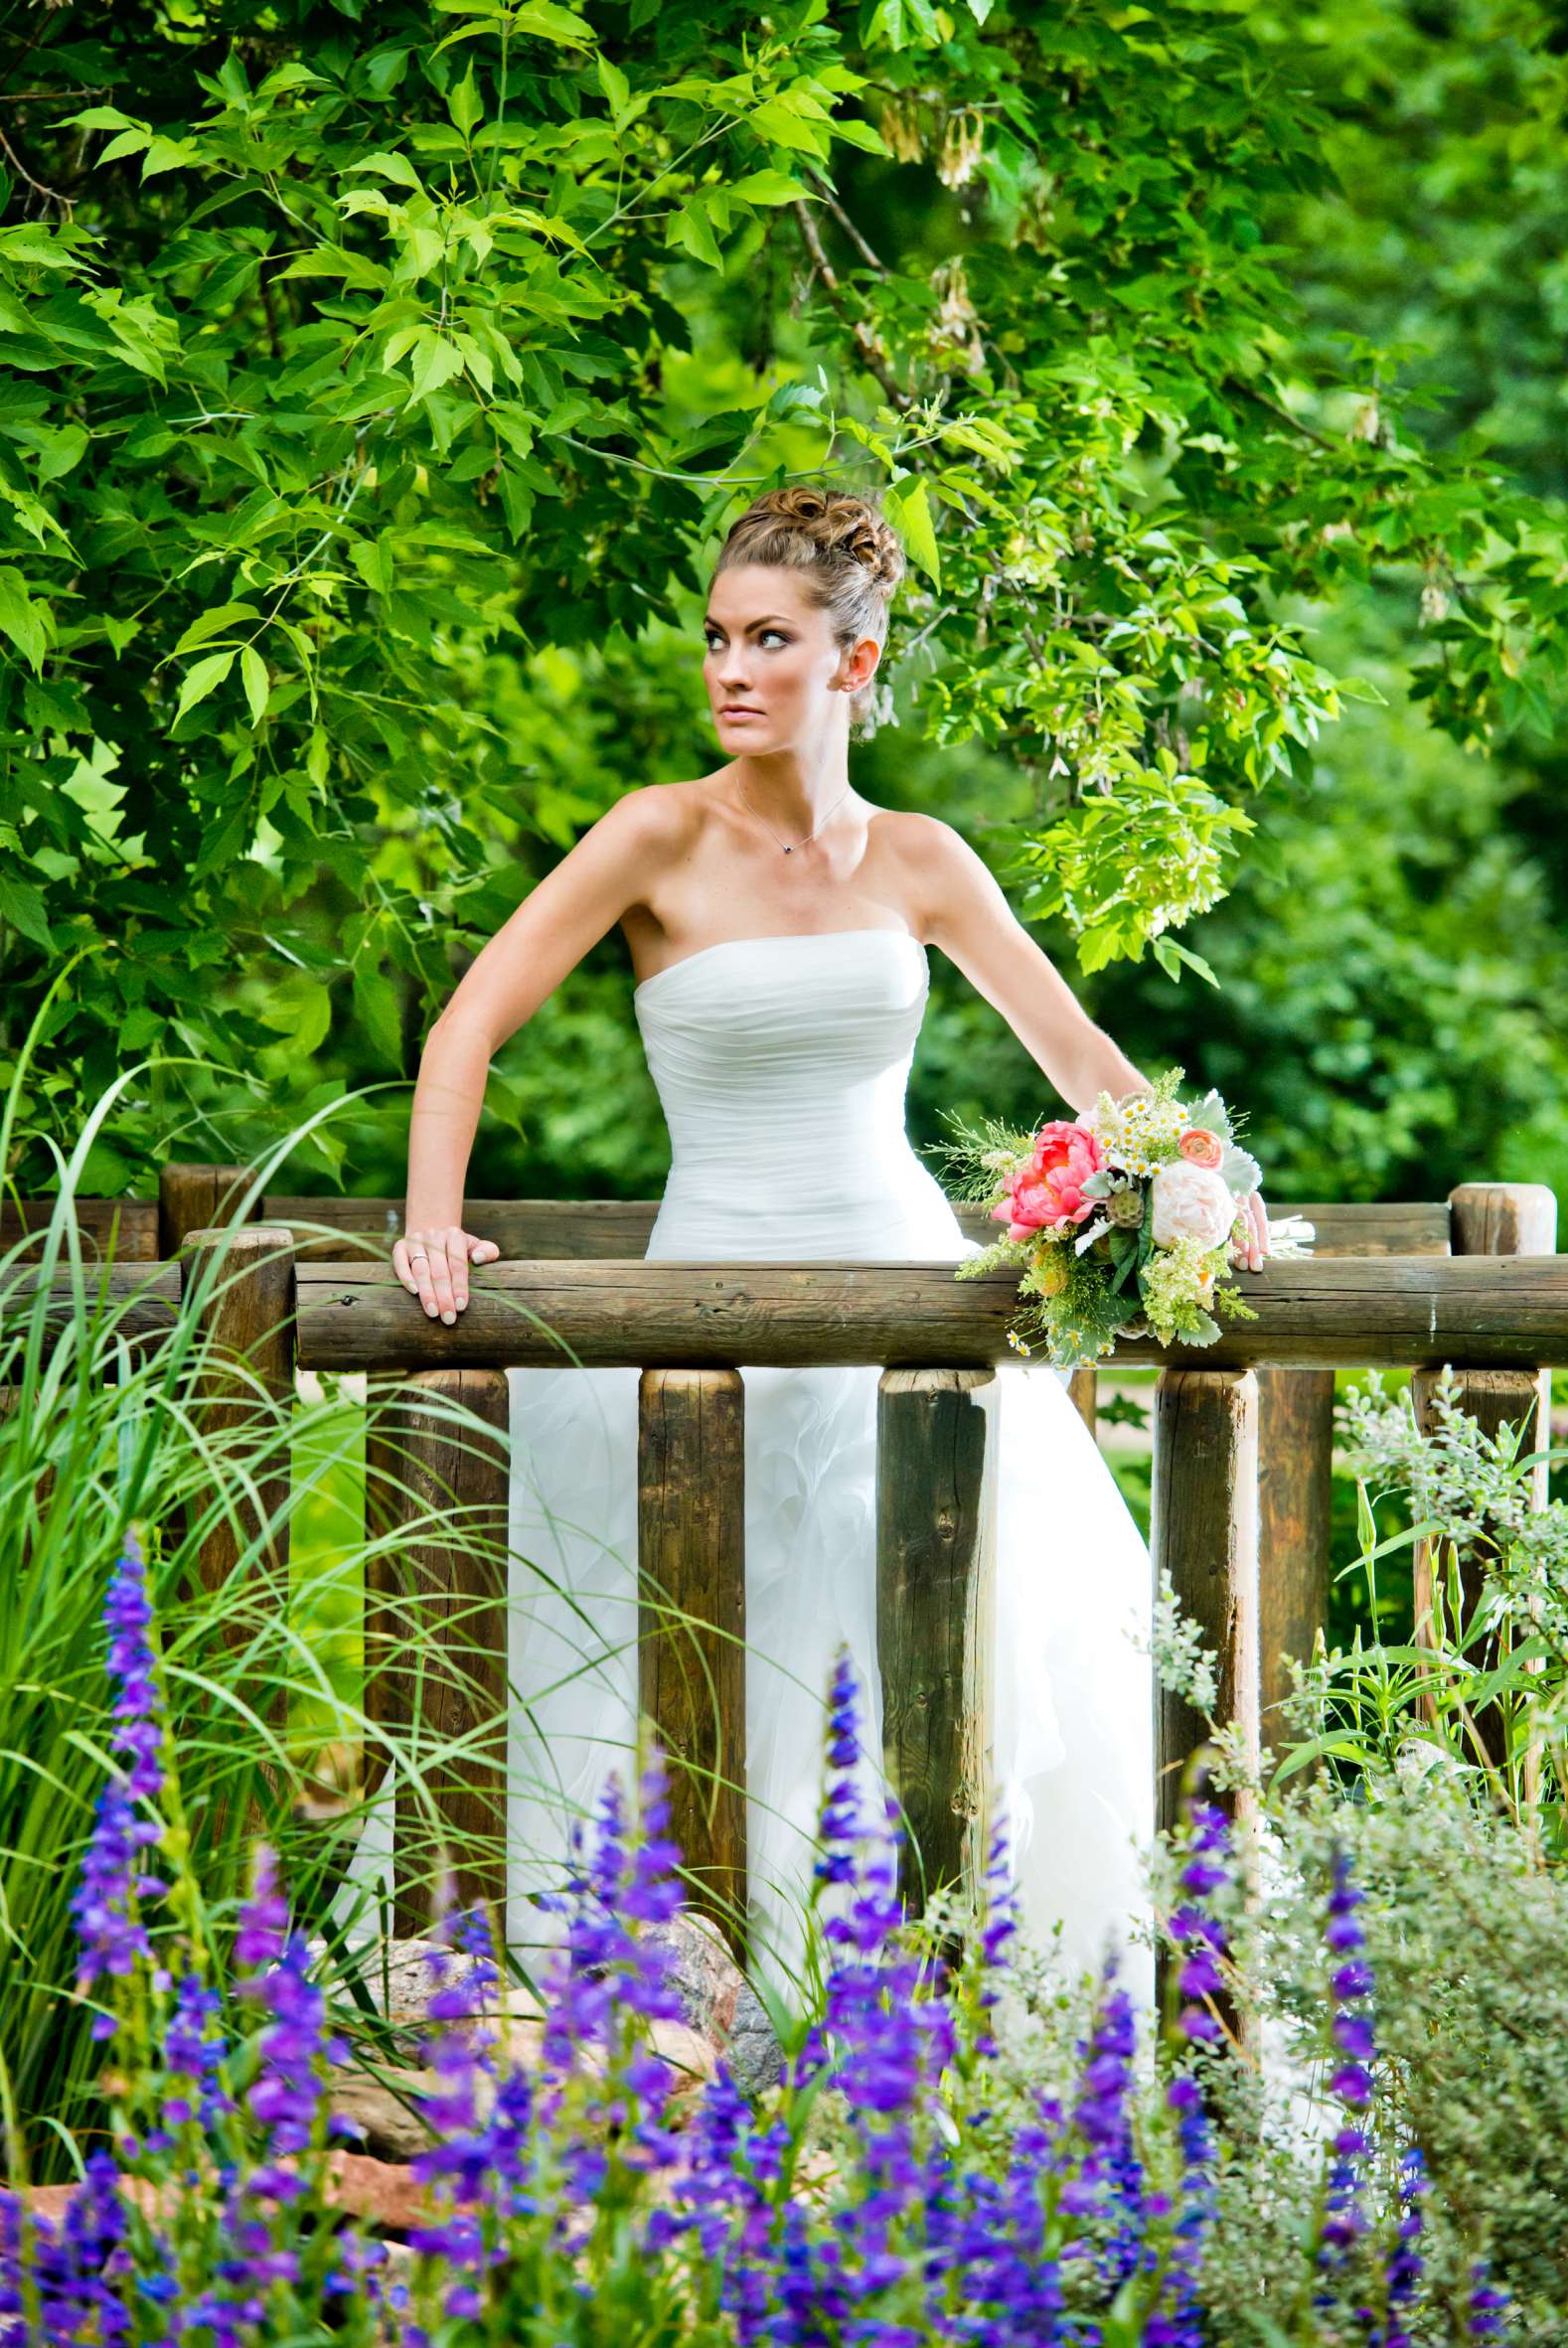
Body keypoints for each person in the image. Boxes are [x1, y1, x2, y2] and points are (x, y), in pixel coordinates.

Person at [379, 485, 1271, 2008]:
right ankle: (685, 2024)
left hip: (906, 1304)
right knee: (696, 1642)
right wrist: (431, 1223)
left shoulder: (920, 859)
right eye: (717, 638)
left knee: (920, 1630)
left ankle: (929, 2019)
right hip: (704, 1299)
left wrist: (1200, 1174)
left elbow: (1079, 1056)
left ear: (852, 666)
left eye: (769, 640)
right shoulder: (655, 834)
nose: (729, 668)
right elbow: (466, 1026)